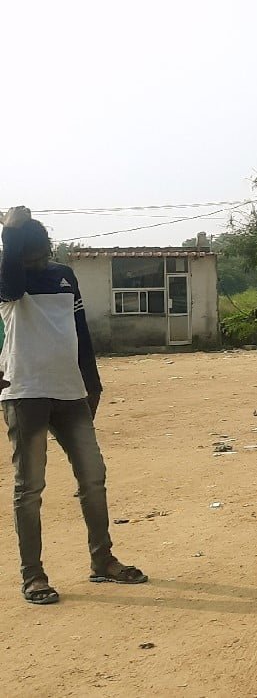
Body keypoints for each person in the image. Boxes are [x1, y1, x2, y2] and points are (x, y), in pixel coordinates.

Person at [0, 206, 147, 604]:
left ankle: (103, 560)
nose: (39, 262)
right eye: (32, 256)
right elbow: (12, 286)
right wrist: (10, 232)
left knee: (93, 476)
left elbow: (80, 330)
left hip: (70, 393)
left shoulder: (63, 275)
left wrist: (93, 384)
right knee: (29, 488)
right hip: (26, 393)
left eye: (42, 253)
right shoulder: (9, 276)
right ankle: (34, 577)